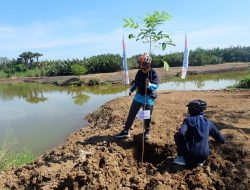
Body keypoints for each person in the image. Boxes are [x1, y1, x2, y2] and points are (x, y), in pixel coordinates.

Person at [116, 53, 159, 139]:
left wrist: (149, 84)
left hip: (148, 99)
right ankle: (125, 131)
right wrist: (131, 90)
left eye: (145, 68)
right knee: (131, 114)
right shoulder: (139, 73)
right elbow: (136, 83)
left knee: (146, 117)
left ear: (149, 66)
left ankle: (147, 131)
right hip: (138, 97)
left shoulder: (153, 73)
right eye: (142, 68)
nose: (143, 70)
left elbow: (156, 85)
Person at [174, 99, 225, 167]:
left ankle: (181, 158)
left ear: (191, 110)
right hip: (203, 156)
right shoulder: (209, 122)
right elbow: (221, 139)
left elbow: (181, 133)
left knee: (177, 135)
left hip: (189, 154)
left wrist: (183, 146)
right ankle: (200, 162)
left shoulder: (188, 120)